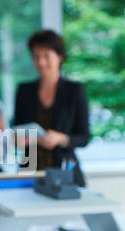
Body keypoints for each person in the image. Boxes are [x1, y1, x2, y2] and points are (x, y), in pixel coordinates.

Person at [14, 30, 90, 187]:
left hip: (64, 172)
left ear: (60, 57)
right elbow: (17, 130)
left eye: (46, 56)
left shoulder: (75, 91)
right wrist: (21, 140)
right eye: (36, 57)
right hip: (30, 173)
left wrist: (61, 139)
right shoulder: (24, 91)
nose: (41, 62)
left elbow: (84, 136)